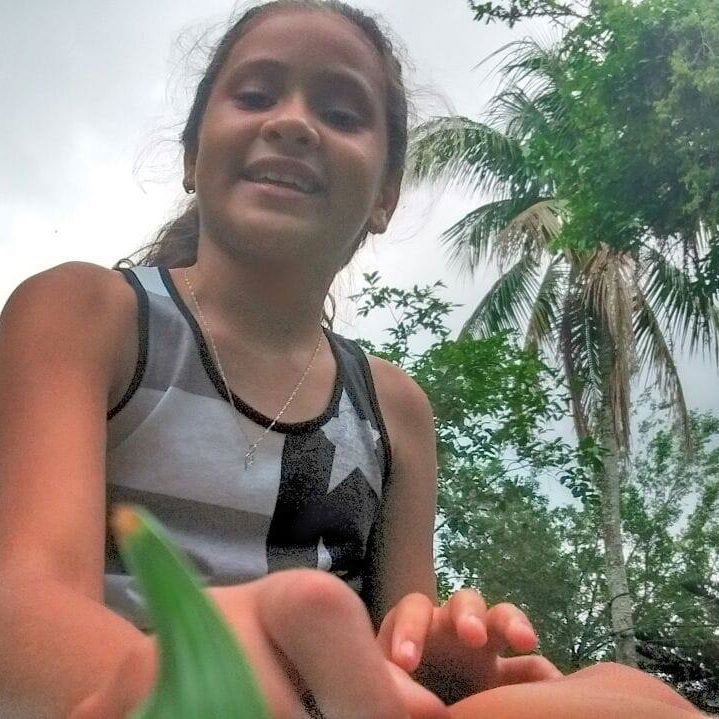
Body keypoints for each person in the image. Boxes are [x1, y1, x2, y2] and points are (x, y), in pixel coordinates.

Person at [0, 2, 703, 717]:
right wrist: (216, 686)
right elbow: (22, 613)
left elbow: (396, 645)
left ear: (385, 196)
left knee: (634, 695)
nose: (292, 123)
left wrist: (441, 665)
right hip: (121, 700)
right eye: (255, 95)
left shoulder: (392, 407)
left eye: (340, 114)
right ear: (192, 155)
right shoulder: (87, 315)